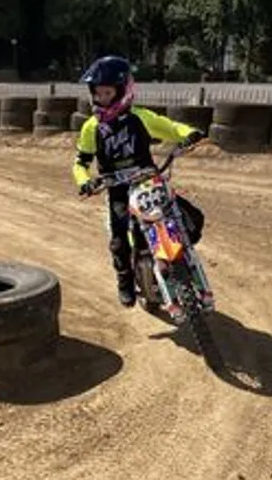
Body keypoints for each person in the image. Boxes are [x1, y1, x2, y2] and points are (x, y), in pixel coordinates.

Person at [73, 55, 206, 308]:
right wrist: (85, 181)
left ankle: (181, 258)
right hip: (118, 189)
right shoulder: (91, 127)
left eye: (107, 92)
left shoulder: (140, 118)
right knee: (119, 240)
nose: (102, 98)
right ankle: (125, 281)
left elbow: (169, 127)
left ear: (123, 91)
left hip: (149, 182)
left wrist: (189, 133)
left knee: (192, 217)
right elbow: (80, 162)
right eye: (97, 93)